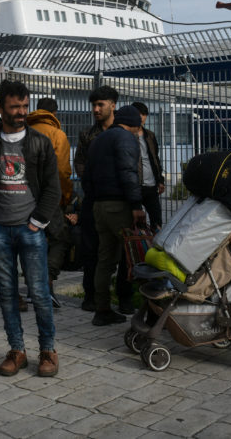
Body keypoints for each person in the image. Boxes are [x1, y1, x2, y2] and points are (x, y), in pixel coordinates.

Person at [0, 79, 62, 377]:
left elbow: (53, 188)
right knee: (7, 293)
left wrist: (37, 222)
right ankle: (17, 350)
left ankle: (47, 350)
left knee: (39, 292)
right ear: (0, 109)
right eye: (15, 107)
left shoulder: (39, 142)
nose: (21, 112)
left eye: (24, 106)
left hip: (29, 230)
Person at [81, 105, 144, 327]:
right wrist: (136, 204)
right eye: (140, 126)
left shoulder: (99, 140)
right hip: (120, 206)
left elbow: (86, 176)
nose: (140, 131)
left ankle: (102, 308)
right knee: (136, 256)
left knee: (105, 259)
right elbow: (129, 172)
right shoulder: (126, 138)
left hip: (99, 205)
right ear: (135, 124)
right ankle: (149, 309)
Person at [73, 85, 134, 313]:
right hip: (94, 198)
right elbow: (79, 162)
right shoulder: (88, 135)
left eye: (101, 105)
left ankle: (125, 298)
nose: (96, 109)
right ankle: (93, 297)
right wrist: (91, 179)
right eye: (94, 105)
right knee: (92, 250)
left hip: (121, 198)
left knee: (125, 252)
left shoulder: (126, 131)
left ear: (113, 105)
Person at [28, 97, 74, 301]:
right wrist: (65, 197)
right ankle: (47, 281)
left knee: (30, 237)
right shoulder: (58, 135)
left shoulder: (24, 133)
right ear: (54, 114)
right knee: (59, 238)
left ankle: (31, 286)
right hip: (49, 195)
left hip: (24, 195)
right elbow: (63, 171)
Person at [131, 102, 166, 231]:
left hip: (151, 186)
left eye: (144, 114)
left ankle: (155, 247)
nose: (142, 117)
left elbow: (155, 159)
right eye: (139, 114)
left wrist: (160, 180)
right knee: (138, 225)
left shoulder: (150, 135)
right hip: (135, 186)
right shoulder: (127, 135)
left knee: (157, 222)